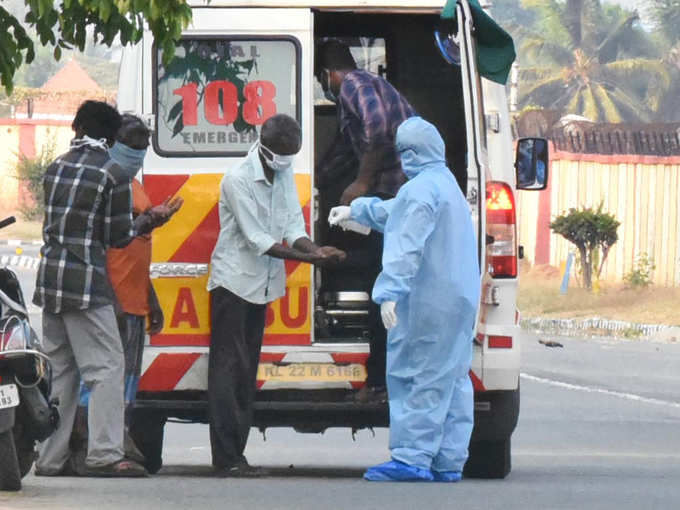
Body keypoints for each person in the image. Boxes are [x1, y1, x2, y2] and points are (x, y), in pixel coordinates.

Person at [329, 117, 481, 482]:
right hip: (459, 301)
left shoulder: (420, 191)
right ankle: (448, 460)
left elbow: (405, 245)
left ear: (409, 153)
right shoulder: (445, 186)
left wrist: (388, 293)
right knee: (453, 378)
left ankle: (412, 458)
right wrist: (358, 211)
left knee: (419, 375)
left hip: (429, 302)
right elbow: (396, 212)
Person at [33, 100, 170, 477]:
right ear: (110, 138)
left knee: (61, 372)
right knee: (107, 367)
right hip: (86, 284)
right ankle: (105, 454)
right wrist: (145, 224)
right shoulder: (113, 175)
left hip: (50, 282)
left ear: (77, 127)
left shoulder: (55, 167)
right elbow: (117, 237)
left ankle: (49, 458)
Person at [207, 114, 346, 477]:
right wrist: (311, 259)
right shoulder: (237, 179)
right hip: (234, 284)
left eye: (291, 155)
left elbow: (290, 227)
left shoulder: (281, 173)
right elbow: (259, 241)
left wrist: (314, 248)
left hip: (260, 287)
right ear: (264, 146)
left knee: (246, 372)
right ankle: (226, 459)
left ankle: (236, 456)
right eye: (282, 154)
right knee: (228, 373)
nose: (286, 161)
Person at [69, 114, 183, 472]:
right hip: (110, 302)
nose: (138, 154)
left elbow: (135, 249)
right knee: (102, 379)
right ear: (113, 144)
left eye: (143, 148)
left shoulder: (132, 185)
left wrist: (150, 299)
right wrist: (111, 298)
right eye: (132, 147)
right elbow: (100, 246)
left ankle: (116, 444)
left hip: (133, 304)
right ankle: (89, 449)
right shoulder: (107, 185)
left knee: (126, 382)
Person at [315, 40, 415, 403]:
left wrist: (360, 184)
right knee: (372, 266)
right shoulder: (355, 98)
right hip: (388, 193)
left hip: (396, 193)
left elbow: (376, 132)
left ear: (327, 75)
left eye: (320, 79)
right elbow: (345, 150)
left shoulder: (356, 84)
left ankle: (379, 383)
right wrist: (315, 179)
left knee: (382, 288)